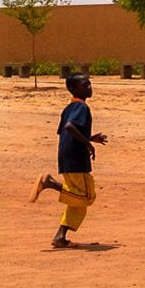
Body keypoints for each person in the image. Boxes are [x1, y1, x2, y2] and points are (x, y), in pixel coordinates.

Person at [29, 72, 106, 248]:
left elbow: (64, 131)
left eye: (89, 84)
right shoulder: (81, 108)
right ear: (72, 89)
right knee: (86, 196)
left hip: (67, 156)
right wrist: (88, 143)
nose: (89, 87)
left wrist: (91, 137)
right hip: (76, 158)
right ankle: (50, 183)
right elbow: (70, 127)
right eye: (84, 85)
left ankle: (60, 237)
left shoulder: (69, 108)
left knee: (78, 203)